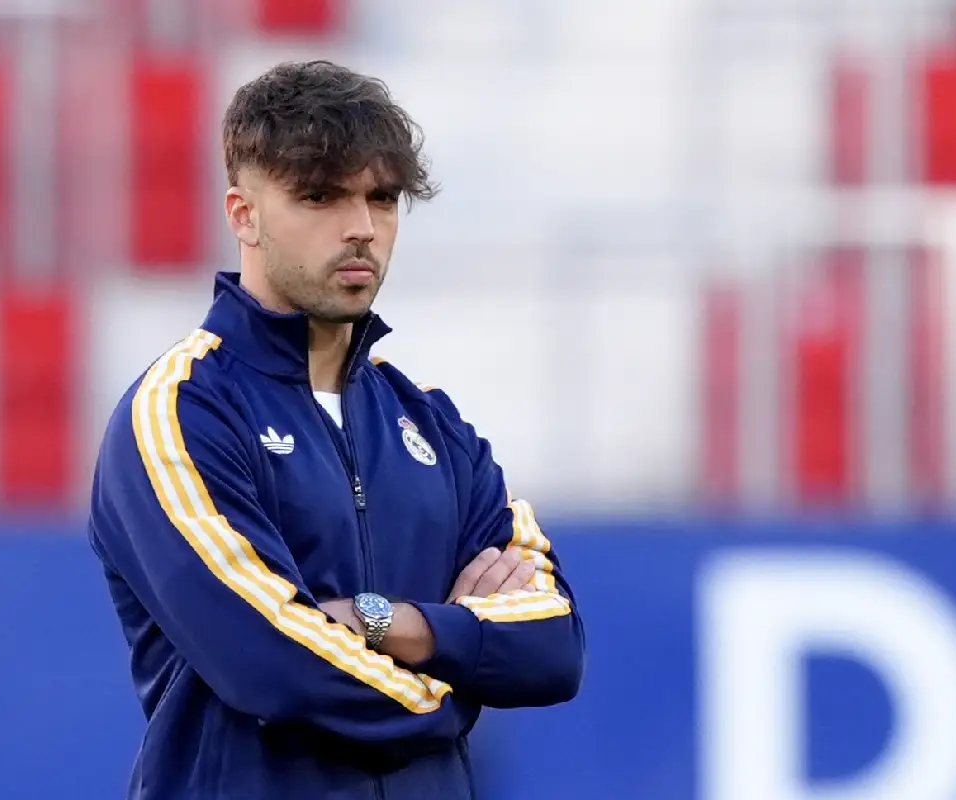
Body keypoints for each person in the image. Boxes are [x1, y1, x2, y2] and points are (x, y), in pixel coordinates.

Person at [87, 59, 585, 800]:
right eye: (318, 196)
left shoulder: (431, 422)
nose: (361, 228)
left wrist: (383, 621)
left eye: (382, 198)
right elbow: (274, 666)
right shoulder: (180, 412)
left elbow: (552, 648)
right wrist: (459, 684)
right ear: (243, 213)